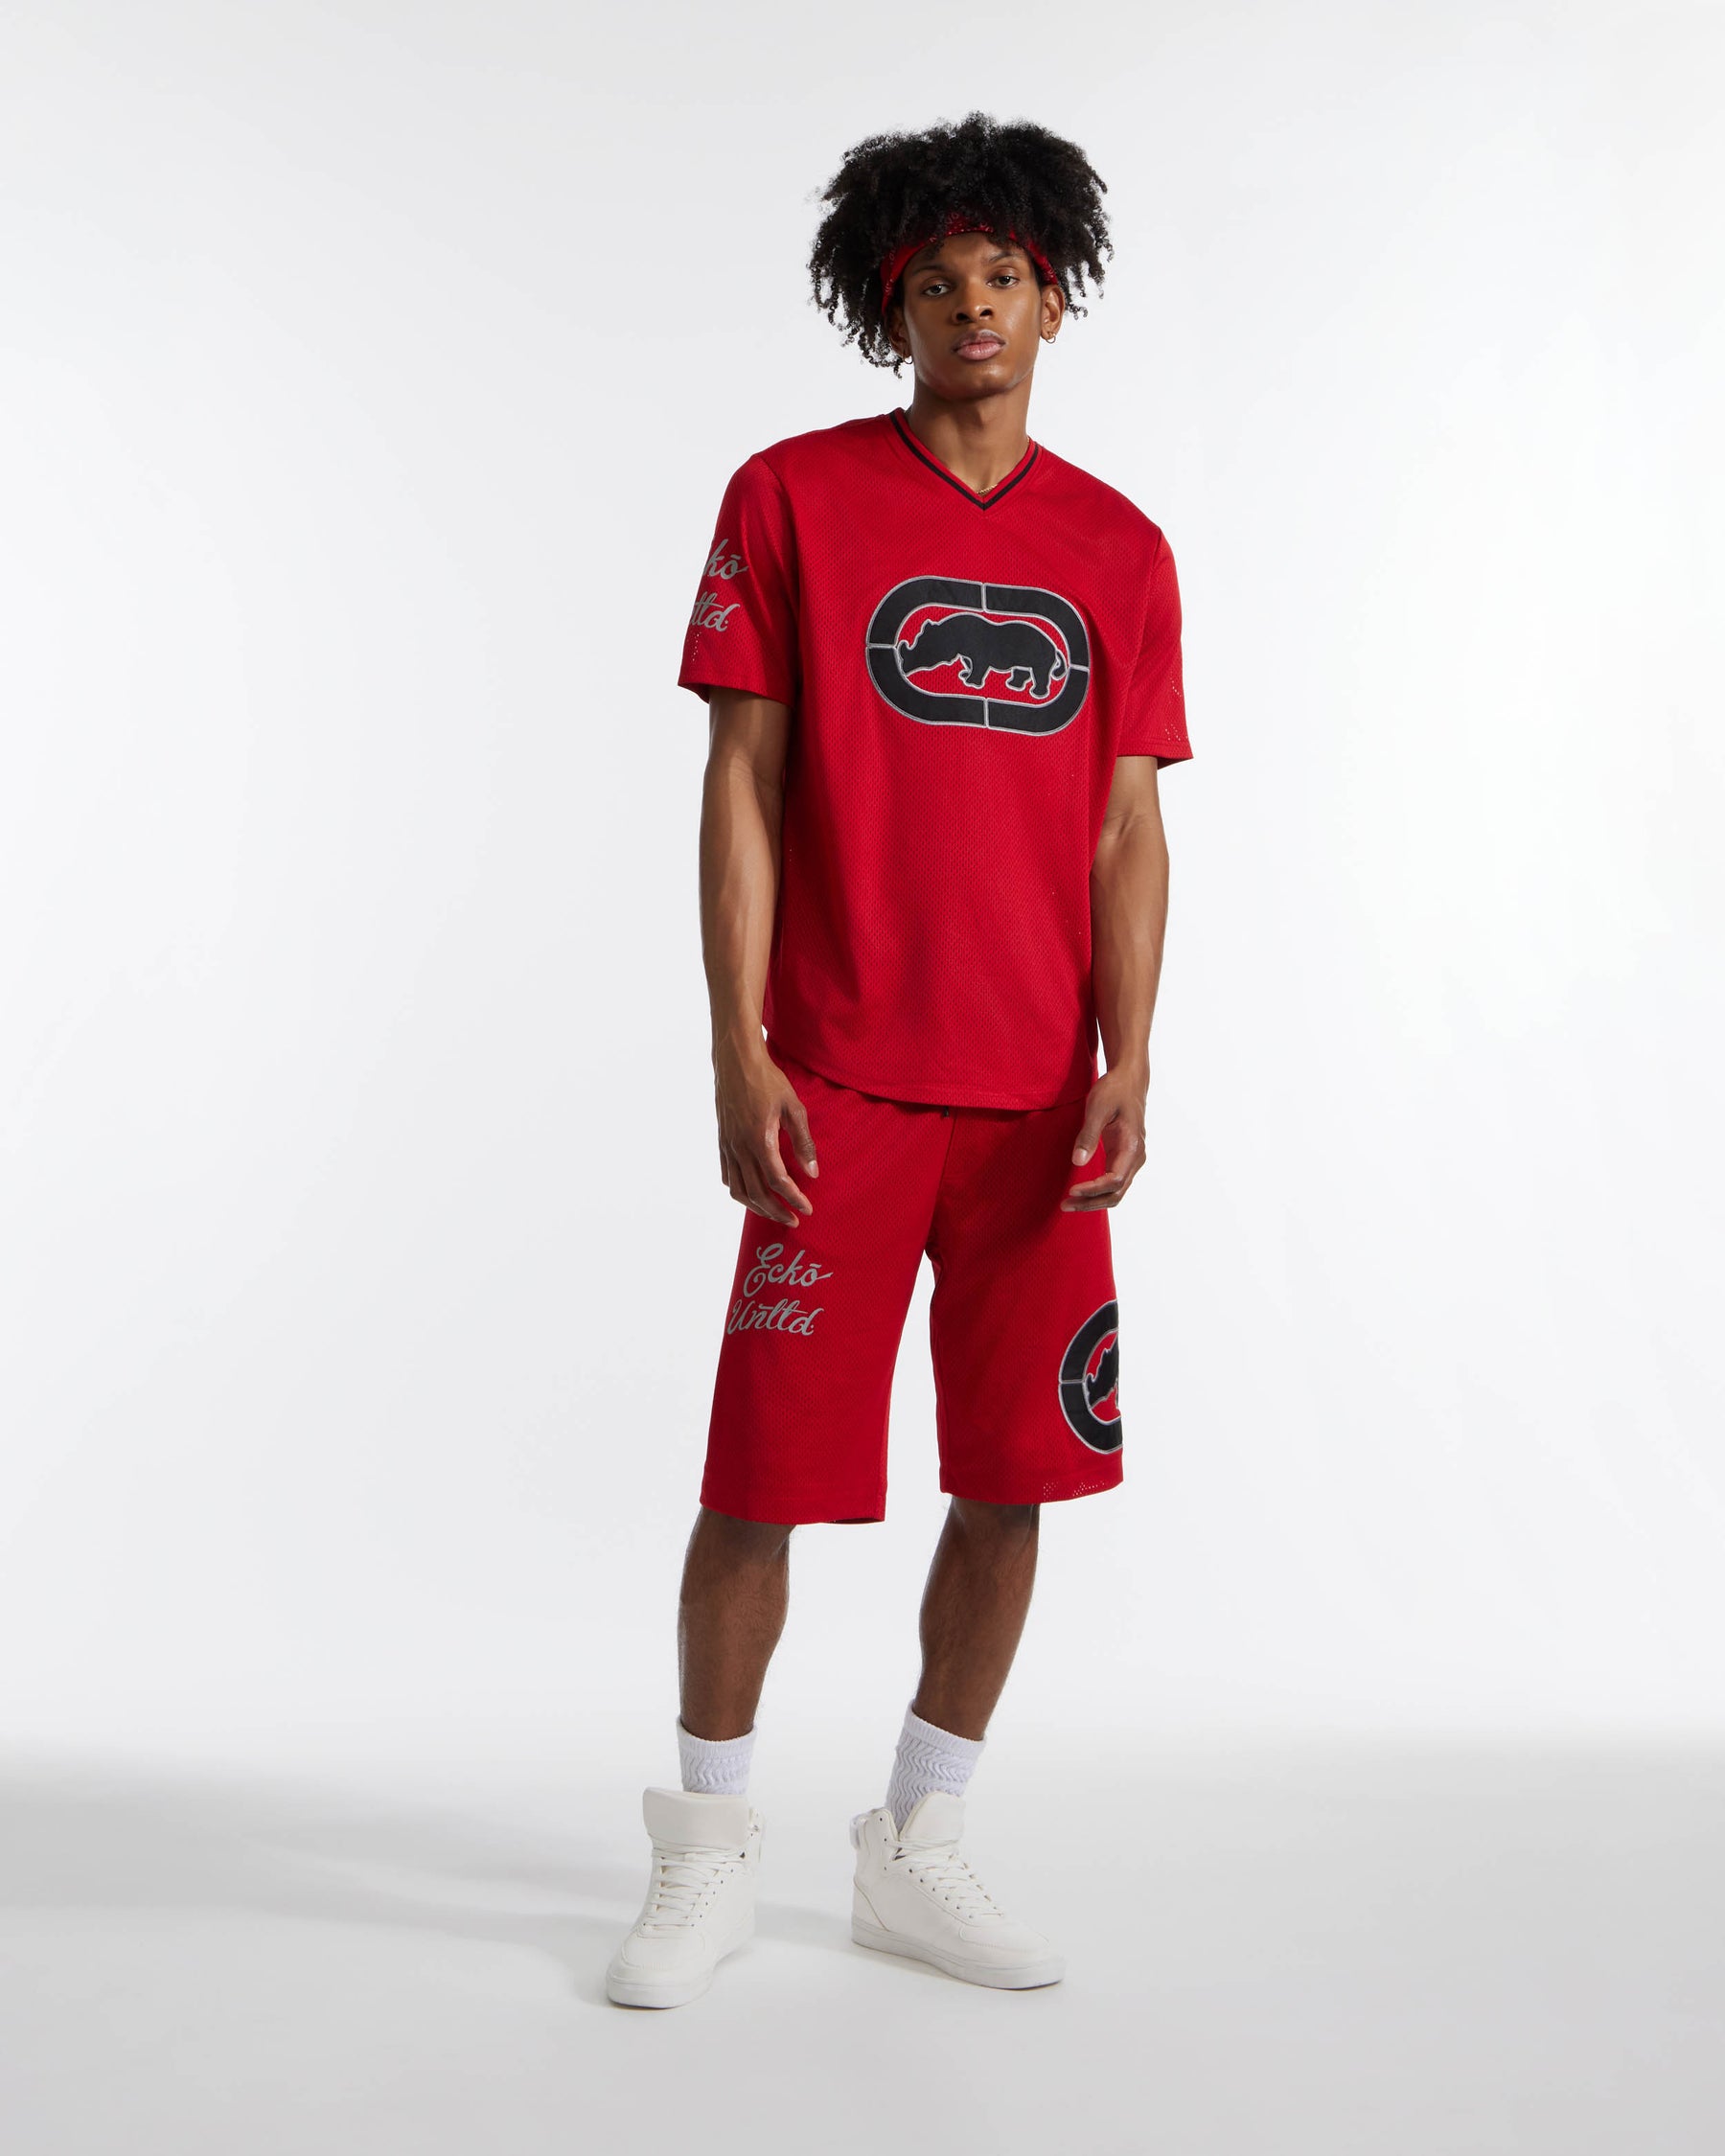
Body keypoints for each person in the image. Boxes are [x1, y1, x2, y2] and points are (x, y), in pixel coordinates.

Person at [606, 110, 1190, 2009]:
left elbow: (1128, 825)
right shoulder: (789, 498)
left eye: (1005, 277)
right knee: (760, 1479)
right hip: (838, 1086)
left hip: (1038, 1104)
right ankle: (704, 1851)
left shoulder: (1121, 547)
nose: (973, 309)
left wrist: (1131, 1052)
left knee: (1014, 1475)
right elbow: (743, 783)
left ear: (1054, 298)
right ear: (890, 305)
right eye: (935, 283)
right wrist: (737, 1048)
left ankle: (917, 1841)